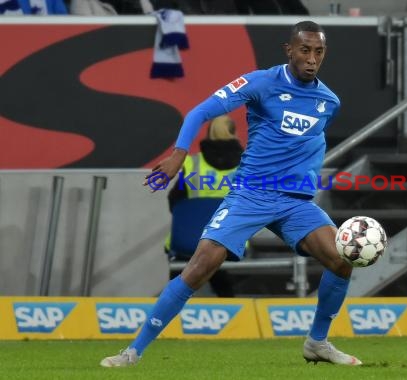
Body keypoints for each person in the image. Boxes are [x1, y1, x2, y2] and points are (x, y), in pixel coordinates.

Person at [100, 20, 362, 367]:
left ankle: (318, 342)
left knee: (342, 260)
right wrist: (179, 154)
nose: (312, 59)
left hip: (295, 202)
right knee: (198, 268)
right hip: (250, 195)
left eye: (319, 52)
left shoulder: (328, 101)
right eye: (304, 50)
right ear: (289, 50)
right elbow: (200, 112)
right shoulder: (260, 83)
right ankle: (132, 352)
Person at [164, 115, 243, 297]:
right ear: (235, 134)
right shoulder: (247, 165)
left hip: (187, 243)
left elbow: (174, 201)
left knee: (176, 293)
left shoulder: (192, 163)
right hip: (228, 242)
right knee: (227, 292)